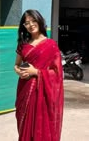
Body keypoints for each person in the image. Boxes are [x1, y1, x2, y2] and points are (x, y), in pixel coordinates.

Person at [14, 9, 63, 141]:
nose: (31, 25)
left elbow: (57, 73)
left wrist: (36, 72)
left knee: (40, 126)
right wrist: (18, 71)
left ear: (39, 21)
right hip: (24, 89)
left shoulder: (51, 45)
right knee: (24, 124)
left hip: (42, 93)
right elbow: (16, 65)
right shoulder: (23, 45)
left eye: (33, 21)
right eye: (27, 23)